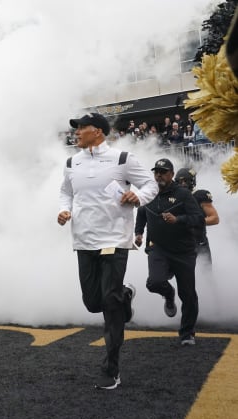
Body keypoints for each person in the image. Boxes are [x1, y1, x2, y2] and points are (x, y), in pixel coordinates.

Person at [58, 112, 158, 390]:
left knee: (109, 304)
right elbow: (65, 192)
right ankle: (125, 294)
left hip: (114, 240)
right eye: (75, 128)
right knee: (93, 303)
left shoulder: (122, 159)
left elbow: (150, 185)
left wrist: (138, 196)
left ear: (98, 131)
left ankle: (111, 368)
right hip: (83, 241)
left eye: (81, 128)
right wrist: (63, 210)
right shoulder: (71, 163)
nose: (76, 132)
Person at [134, 159, 205, 346]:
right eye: (156, 171)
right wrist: (138, 233)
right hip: (158, 248)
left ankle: (187, 333)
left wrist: (178, 219)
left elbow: (198, 218)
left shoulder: (183, 194)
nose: (159, 175)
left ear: (171, 174)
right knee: (154, 282)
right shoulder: (148, 193)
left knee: (188, 294)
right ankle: (168, 294)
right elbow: (142, 212)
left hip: (183, 251)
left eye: (163, 172)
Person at [173, 168, 219, 266]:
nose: (183, 184)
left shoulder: (200, 195)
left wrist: (195, 221)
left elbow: (214, 218)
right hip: (180, 243)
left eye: (185, 180)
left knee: (205, 275)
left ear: (192, 181)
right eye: (180, 181)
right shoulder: (173, 197)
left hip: (198, 242)